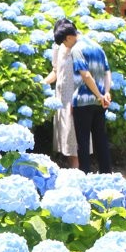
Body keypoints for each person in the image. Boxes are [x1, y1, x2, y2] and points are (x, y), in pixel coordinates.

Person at [53, 22, 113, 173]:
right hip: (99, 103)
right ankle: (107, 173)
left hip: (82, 102)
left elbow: (85, 75)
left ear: (68, 37)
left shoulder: (77, 49)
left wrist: (99, 95)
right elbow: (107, 71)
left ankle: (84, 175)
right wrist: (106, 93)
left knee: (83, 143)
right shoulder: (97, 46)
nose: (65, 46)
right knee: (101, 140)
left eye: (64, 42)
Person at [43, 18, 80, 169]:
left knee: (75, 140)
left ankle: (77, 173)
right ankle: (73, 171)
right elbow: (55, 72)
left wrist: (77, 100)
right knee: (65, 139)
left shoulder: (80, 48)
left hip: (75, 98)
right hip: (61, 99)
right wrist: (41, 84)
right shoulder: (58, 48)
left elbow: (84, 76)